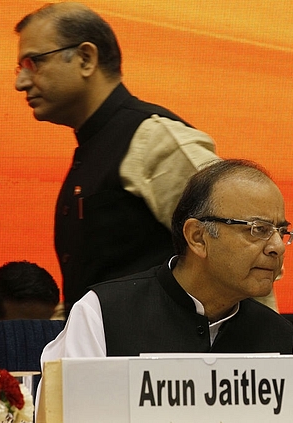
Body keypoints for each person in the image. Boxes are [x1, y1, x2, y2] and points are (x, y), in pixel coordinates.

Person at [14, 2, 219, 314]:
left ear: (86, 58)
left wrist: (268, 356)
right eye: (21, 69)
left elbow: (239, 250)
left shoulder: (154, 138)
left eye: (34, 63)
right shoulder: (95, 145)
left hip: (166, 362)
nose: (21, 82)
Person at [40, 159, 293, 360]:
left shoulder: (277, 334)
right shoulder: (102, 314)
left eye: (281, 231)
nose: (277, 247)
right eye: (258, 229)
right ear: (198, 237)